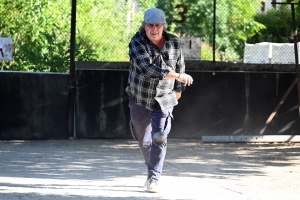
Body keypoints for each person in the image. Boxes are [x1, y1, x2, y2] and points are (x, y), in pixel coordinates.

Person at [126, 8, 193, 193]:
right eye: (150, 25)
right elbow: (147, 70)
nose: (154, 29)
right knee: (144, 140)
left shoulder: (174, 42)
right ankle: (152, 166)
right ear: (144, 26)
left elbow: (181, 65)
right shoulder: (137, 42)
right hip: (140, 96)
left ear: (163, 26)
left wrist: (178, 91)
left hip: (165, 97)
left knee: (159, 137)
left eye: (157, 25)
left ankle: (154, 177)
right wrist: (178, 76)